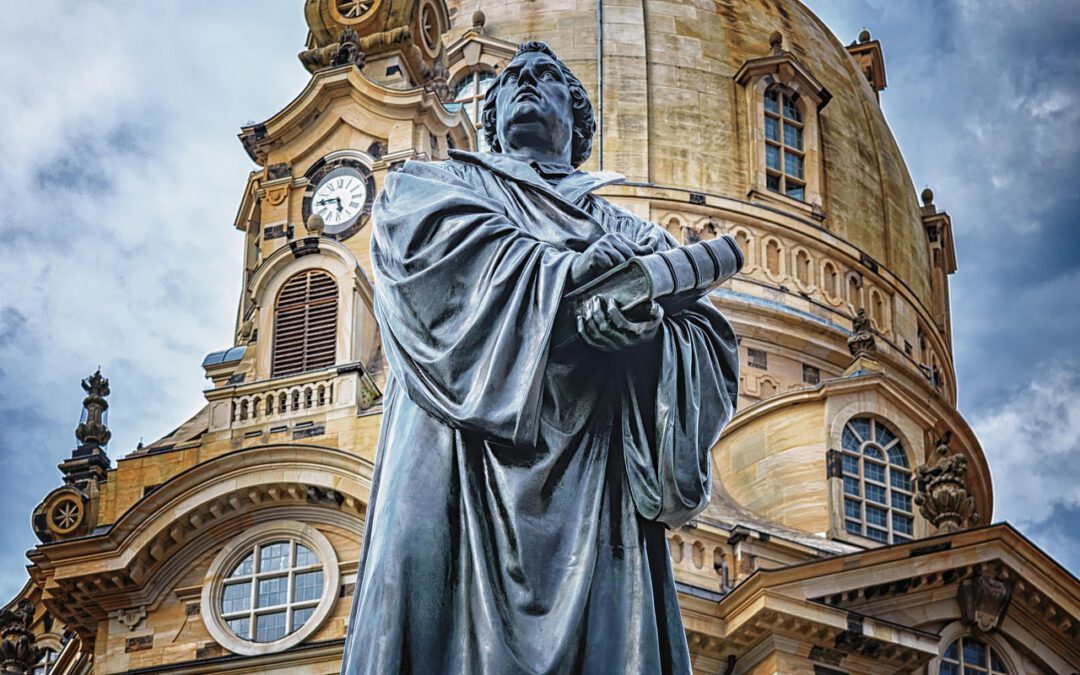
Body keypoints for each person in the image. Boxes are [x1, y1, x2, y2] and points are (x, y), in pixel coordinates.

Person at [341, 41, 739, 675]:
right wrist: (566, 274)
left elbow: (708, 346)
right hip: (455, 455)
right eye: (513, 79)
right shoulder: (436, 185)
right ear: (492, 115)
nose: (527, 82)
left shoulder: (633, 234)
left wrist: (643, 337)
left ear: (577, 121)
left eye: (547, 77)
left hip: (594, 473)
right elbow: (423, 261)